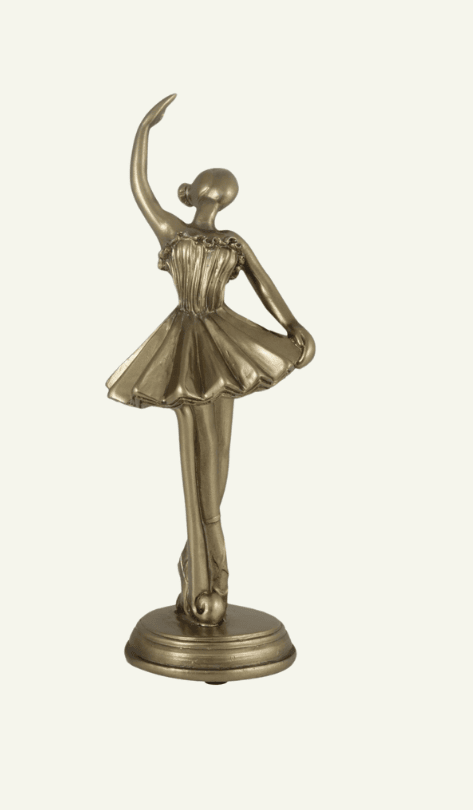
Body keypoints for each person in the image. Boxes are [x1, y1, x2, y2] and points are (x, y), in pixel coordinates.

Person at [106, 94, 316, 626]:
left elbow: (265, 286)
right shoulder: (173, 230)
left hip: (223, 338)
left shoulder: (231, 241)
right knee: (196, 454)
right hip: (185, 338)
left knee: (216, 460)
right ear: (197, 191)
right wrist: (144, 130)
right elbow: (139, 186)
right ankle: (204, 573)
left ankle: (202, 565)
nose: (218, 193)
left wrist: (293, 327)